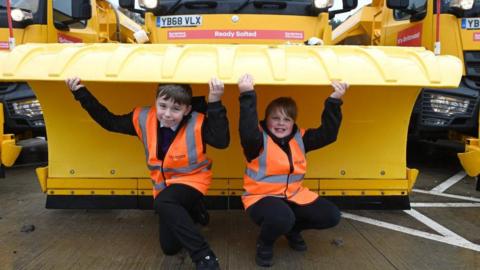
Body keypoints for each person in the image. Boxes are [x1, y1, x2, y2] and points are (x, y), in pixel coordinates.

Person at [66, 77, 229, 270]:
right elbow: (109, 122)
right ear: (156, 102)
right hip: (164, 187)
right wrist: (80, 93)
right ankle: (193, 210)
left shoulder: (198, 121)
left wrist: (215, 101)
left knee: (163, 202)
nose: (167, 114)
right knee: (169, 248)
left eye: (176, 109)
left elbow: (221, 141)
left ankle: (204, 256)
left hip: (193, 181)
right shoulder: (143, 118)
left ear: (187, 110)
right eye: (163, 105)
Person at [236, 74, 347, 267]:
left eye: (287, 119)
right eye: (275, 118)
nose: (281, 123)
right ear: (266, 119)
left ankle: (292, 230)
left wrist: (334, 100)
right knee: (281, 217)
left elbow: (328, 134)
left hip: (294, 196)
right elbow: (246, 128)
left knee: (331, 216)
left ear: (293, 122)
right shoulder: (256, 140)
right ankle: (265, 243)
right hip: (260, 198)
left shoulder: (301, 138)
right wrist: (247, 94)